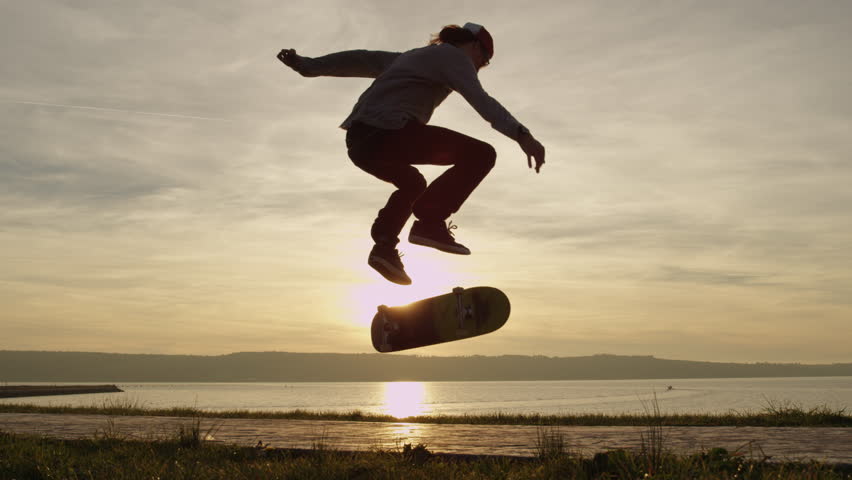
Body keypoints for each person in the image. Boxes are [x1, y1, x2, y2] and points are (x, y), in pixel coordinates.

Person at [277, 22, 545, 285]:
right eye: (483, 60)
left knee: (413, 183)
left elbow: (360, 60)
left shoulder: (412, 57)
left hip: (361, 142)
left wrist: (309, 66)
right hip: (387, 132)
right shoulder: (452, 56)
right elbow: (482, 100)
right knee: (481, 154)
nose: (478, 67)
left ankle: (384, 249)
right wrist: (523, 135)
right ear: (475, 45)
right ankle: (430, 222)